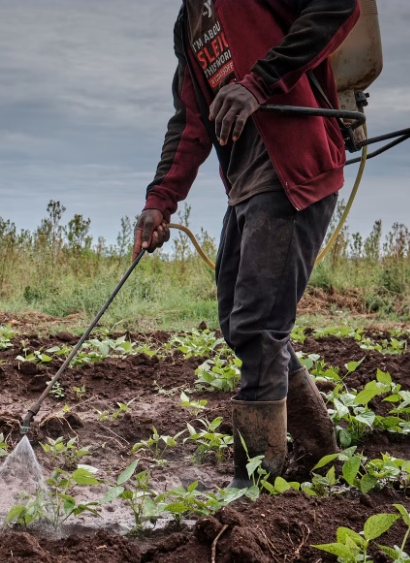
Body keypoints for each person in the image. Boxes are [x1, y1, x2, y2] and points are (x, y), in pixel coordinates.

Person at [132, 1, 360, 487]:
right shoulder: (189, 24)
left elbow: (340, 6)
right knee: (240, 324)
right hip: (247, 183)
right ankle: (321, 449)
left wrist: (257, 83)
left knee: (258, 326)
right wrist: (160, 200)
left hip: (295, 166)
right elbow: (192, 122)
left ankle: (254, 484)